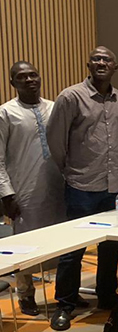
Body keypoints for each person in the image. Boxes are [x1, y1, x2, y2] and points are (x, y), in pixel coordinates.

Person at [46, 46, 118, 331]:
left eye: (107, 59)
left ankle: (107, 296)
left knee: (111, 247)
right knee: (74, 250)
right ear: (88, 64)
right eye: (96, 58)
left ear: (115, 67)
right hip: (82, 184)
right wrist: (71, 171)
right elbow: (56, 141)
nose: (101, 62)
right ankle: (65, 304)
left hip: (115, 188)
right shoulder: (71, 97)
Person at [0, 61, 65, 316]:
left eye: (33, 75)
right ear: (12, 83)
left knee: (62, 242)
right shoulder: (6, 113)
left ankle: (64, 294)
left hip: (56, 186)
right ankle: (26, 295)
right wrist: (6, 193)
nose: (29, 80)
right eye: (22, 76)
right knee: (25, 243)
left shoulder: (54, 108)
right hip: (23, 189)